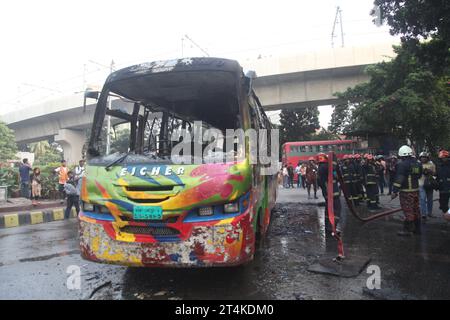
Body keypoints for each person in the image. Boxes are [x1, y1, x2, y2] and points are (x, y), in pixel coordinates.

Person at [392, 145, 422, 236]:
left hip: (406, 192)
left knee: (408, 210)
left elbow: (399, 178)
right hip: (416, 190)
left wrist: (394, 191)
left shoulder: (402, 164)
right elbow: (419, 176)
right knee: (416, 209)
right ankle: (417, 230)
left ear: (402, 155)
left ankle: (408, 230)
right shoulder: (417, 163)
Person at [317, 153, 344, 234]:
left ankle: (328, 227)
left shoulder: (320, 168)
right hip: (332, 193)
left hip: (327, 194)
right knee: (336, 210)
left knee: (328, 211)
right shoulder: (325, 167)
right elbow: (333, 167)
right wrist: (334, 157)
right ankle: (332, 228)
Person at [418, 152, 436, 219]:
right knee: (422, 199)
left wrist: (429, 171)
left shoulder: (431, 164)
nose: (423, 158)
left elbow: (434, 173)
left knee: (430, 199)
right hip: (421, 184)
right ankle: (423, 214)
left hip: (429, 184)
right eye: (422, 157)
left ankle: (430, 213)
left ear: (427, 158)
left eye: (425, 157)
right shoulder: (418, 164)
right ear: (420, 158)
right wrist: (422, 171)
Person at [436, 150, 450, 218]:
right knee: (443, 204)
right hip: (442, 188)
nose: (442, 159)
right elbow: (437, 176)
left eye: (444, 158)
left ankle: (447, 215)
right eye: (441, 158)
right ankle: (446, 214)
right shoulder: (439, 166)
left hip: (448, 187)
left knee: (445, 204)